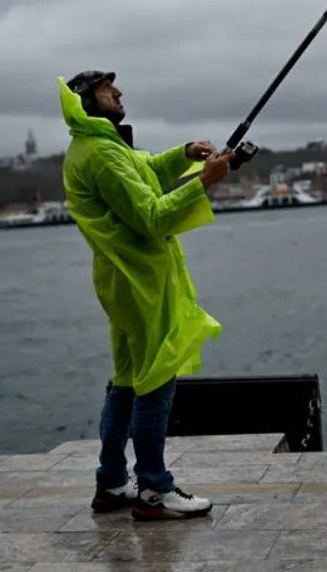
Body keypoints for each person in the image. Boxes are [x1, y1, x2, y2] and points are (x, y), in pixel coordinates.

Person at [58, 70, 233, 521]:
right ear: (88, 103)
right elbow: (153, 216)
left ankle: (113, 482)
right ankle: (154, 489)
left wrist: (184, 156)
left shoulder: (102, 145)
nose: (118, 93)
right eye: (107, 90)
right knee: (155, 380)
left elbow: (146, 171)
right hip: (138, 282)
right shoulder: (101, 154)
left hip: (123, 279)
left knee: (128, 380)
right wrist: (204, 182)